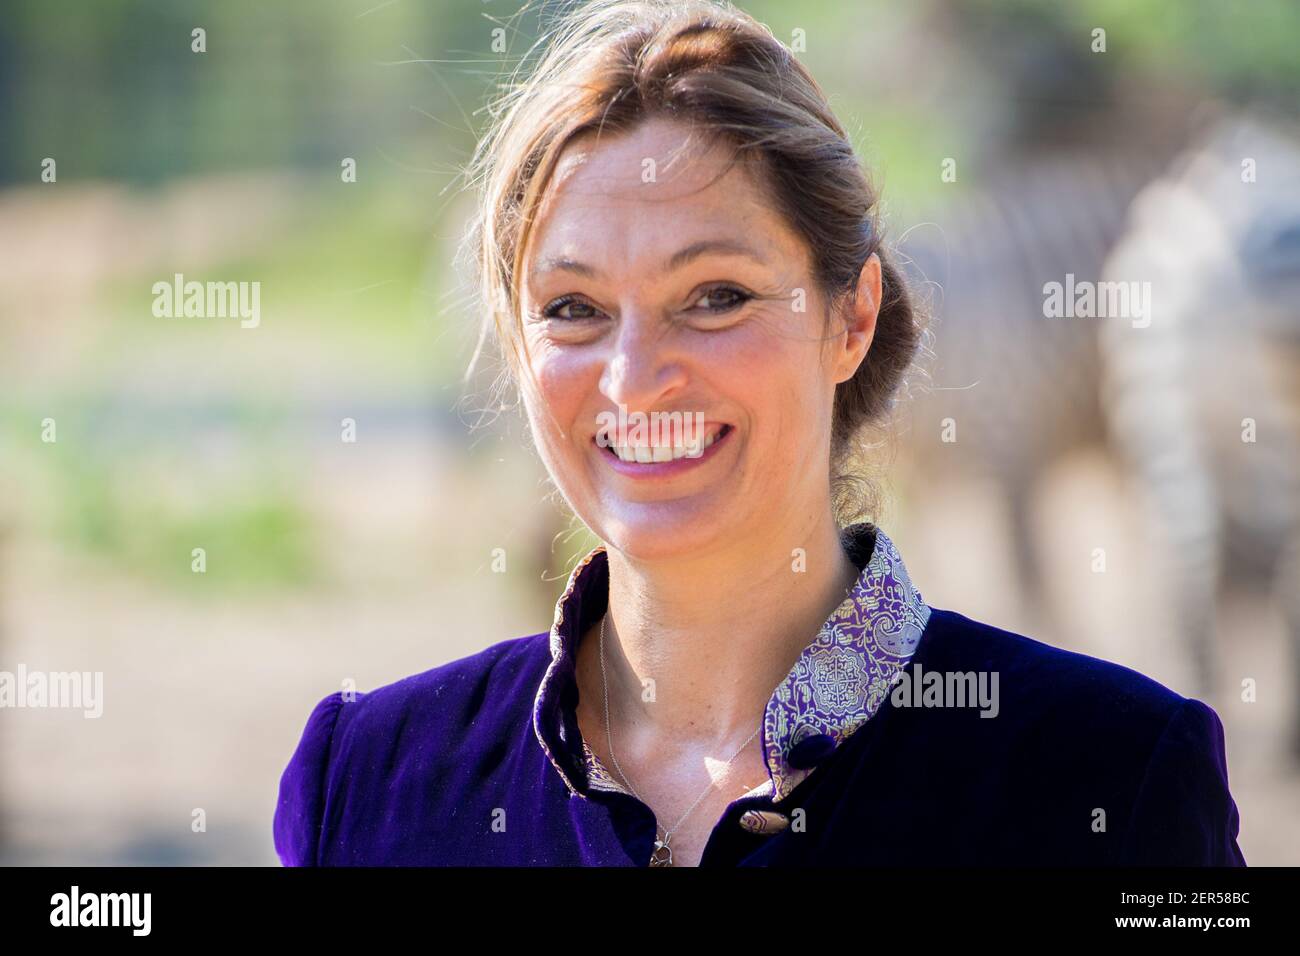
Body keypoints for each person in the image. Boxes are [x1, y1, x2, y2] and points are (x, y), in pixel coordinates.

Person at [273, 0, 1246, 867]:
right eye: (572, 306)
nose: (634, 378)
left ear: (850, 318)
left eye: (715, 295)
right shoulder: (366, 781)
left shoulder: (1110, 780)